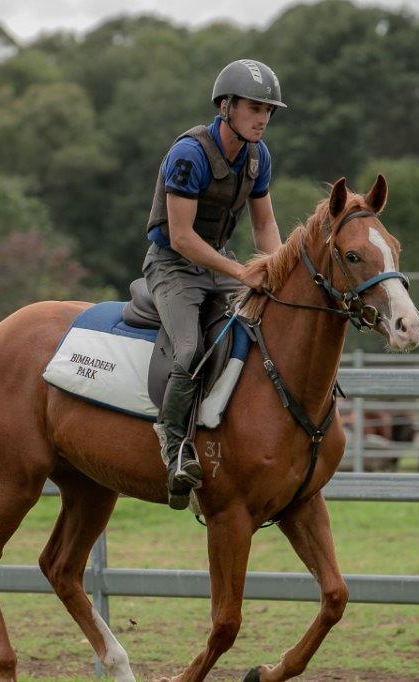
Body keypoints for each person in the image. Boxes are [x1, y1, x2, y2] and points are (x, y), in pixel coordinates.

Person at [143, 59, 285, 508]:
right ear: (226, 106)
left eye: (268, 110)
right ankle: (174, 447)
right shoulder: (189, 154)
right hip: (172, 265)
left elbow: (264, 225)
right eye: (253, 108)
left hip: (218, 263)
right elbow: (182, 238)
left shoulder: (258, 156)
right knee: (188, 349)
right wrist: (242, 272)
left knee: (267, 324)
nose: (262, 118)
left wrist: (275, 270)